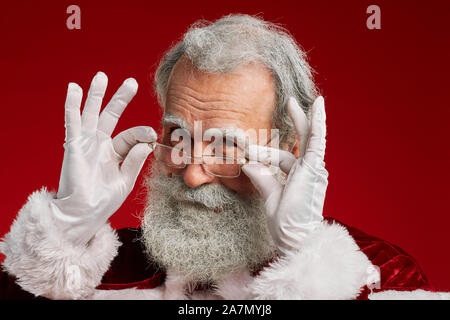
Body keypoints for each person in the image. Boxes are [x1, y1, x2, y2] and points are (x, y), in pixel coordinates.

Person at [0, 14, 446, 300]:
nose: (192, 174)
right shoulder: (108, 271)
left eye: (227, 146)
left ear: (290, 152)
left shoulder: (378, 277)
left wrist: (309, 272)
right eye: (177, 135)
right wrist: (60, 235)